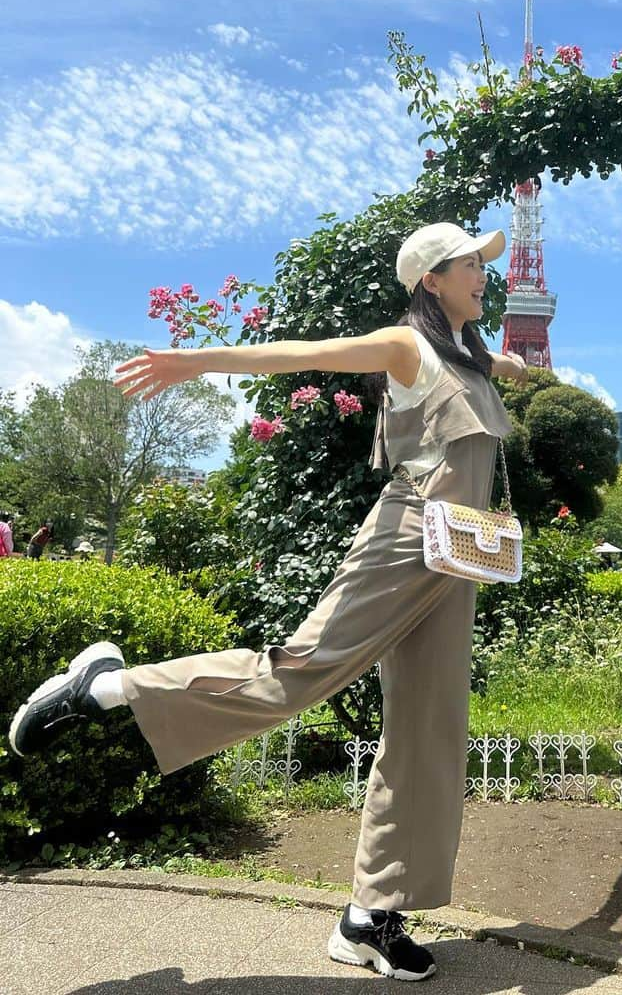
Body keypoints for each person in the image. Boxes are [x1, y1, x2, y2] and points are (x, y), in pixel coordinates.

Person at [7, 222, 529, 982]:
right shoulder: (405, 346)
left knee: (430, 727)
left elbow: (507, 364)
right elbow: (303, 354)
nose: (484, 273)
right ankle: (108, 689)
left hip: (459, 556)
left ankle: (370, 917)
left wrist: (515, 364)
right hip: (409, 537)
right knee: (298, 671)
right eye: (468, 266)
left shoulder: (472, 355)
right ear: (430, 280)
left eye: (482, 264)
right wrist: (194, 362)